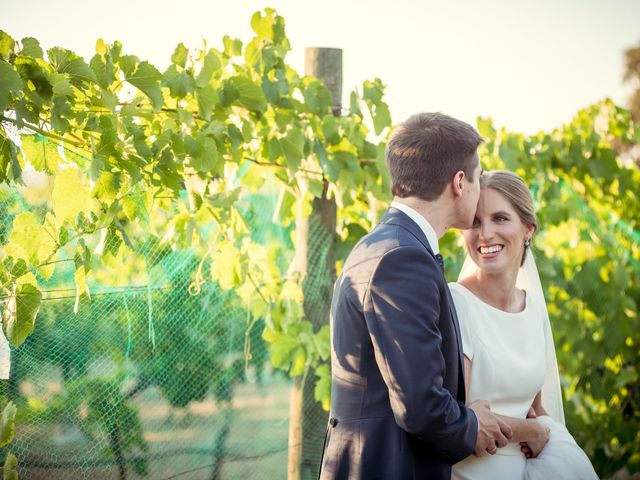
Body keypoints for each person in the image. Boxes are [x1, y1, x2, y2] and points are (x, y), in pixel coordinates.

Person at [318, 113, 513, 480]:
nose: (478, 187)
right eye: (478, 177)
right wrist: (474, 425)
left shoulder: (385, 244)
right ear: (459, 183)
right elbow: (420, 404)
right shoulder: (404, 259)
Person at [450, 170, 598, 480]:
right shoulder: (455, 302)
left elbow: (536, 407)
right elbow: (455, 417)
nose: (485, 233)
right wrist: (530, 429)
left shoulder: (532, 309)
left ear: (528, 229)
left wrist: (540, 430)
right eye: (475, 222)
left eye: (500, 218)